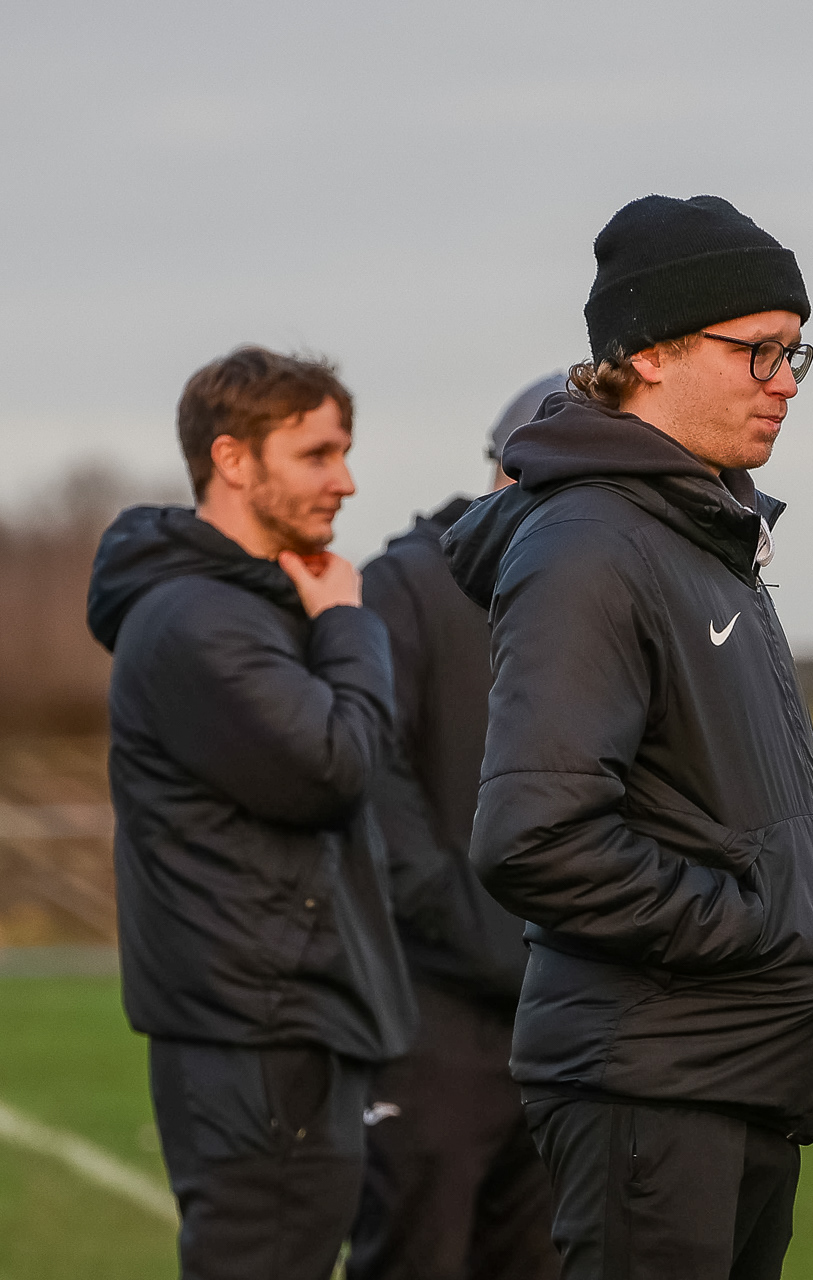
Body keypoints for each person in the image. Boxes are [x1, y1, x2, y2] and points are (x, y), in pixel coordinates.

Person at [442, 195, 813, 1280]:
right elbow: (536, 836)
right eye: (757, 351)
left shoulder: (705, 536)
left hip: (730, 1075)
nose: (785, 380)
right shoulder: (591, 545)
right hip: (652, 1083)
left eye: (795, 352)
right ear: (648, 355)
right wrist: (754, 932)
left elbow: (758, 812)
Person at [86, 346, 416, 1280]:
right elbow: (338, 767)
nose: (346, 481)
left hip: (277, 1024)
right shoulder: (202, 619)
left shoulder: (245, 603)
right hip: (258, 1031)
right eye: (316, 455)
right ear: (232, 460)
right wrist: (347, 622)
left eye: (344, 452)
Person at [345, 372, 566, 1280]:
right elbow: (373, 789)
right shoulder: (402, 588)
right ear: (510, 469)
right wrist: (491, 941)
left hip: (563, 1034)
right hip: (427, 1024)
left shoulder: (591, 598)